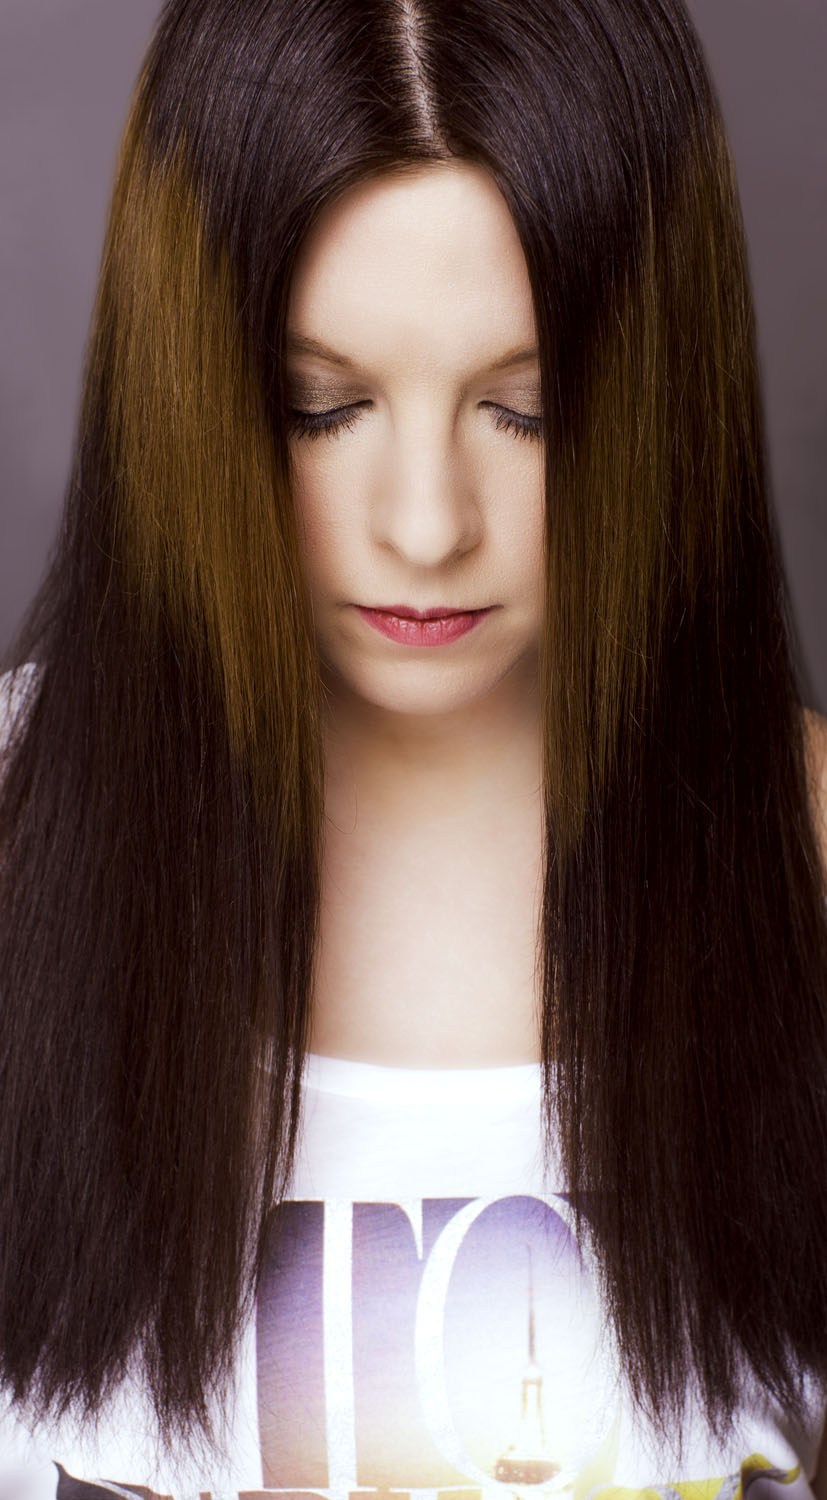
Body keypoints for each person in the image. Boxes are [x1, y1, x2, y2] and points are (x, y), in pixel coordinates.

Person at [1, 0, 826, 1495]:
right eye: (324, 410)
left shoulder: (808, 863)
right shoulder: (15, 840)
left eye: (529, 411)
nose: (428, 524)